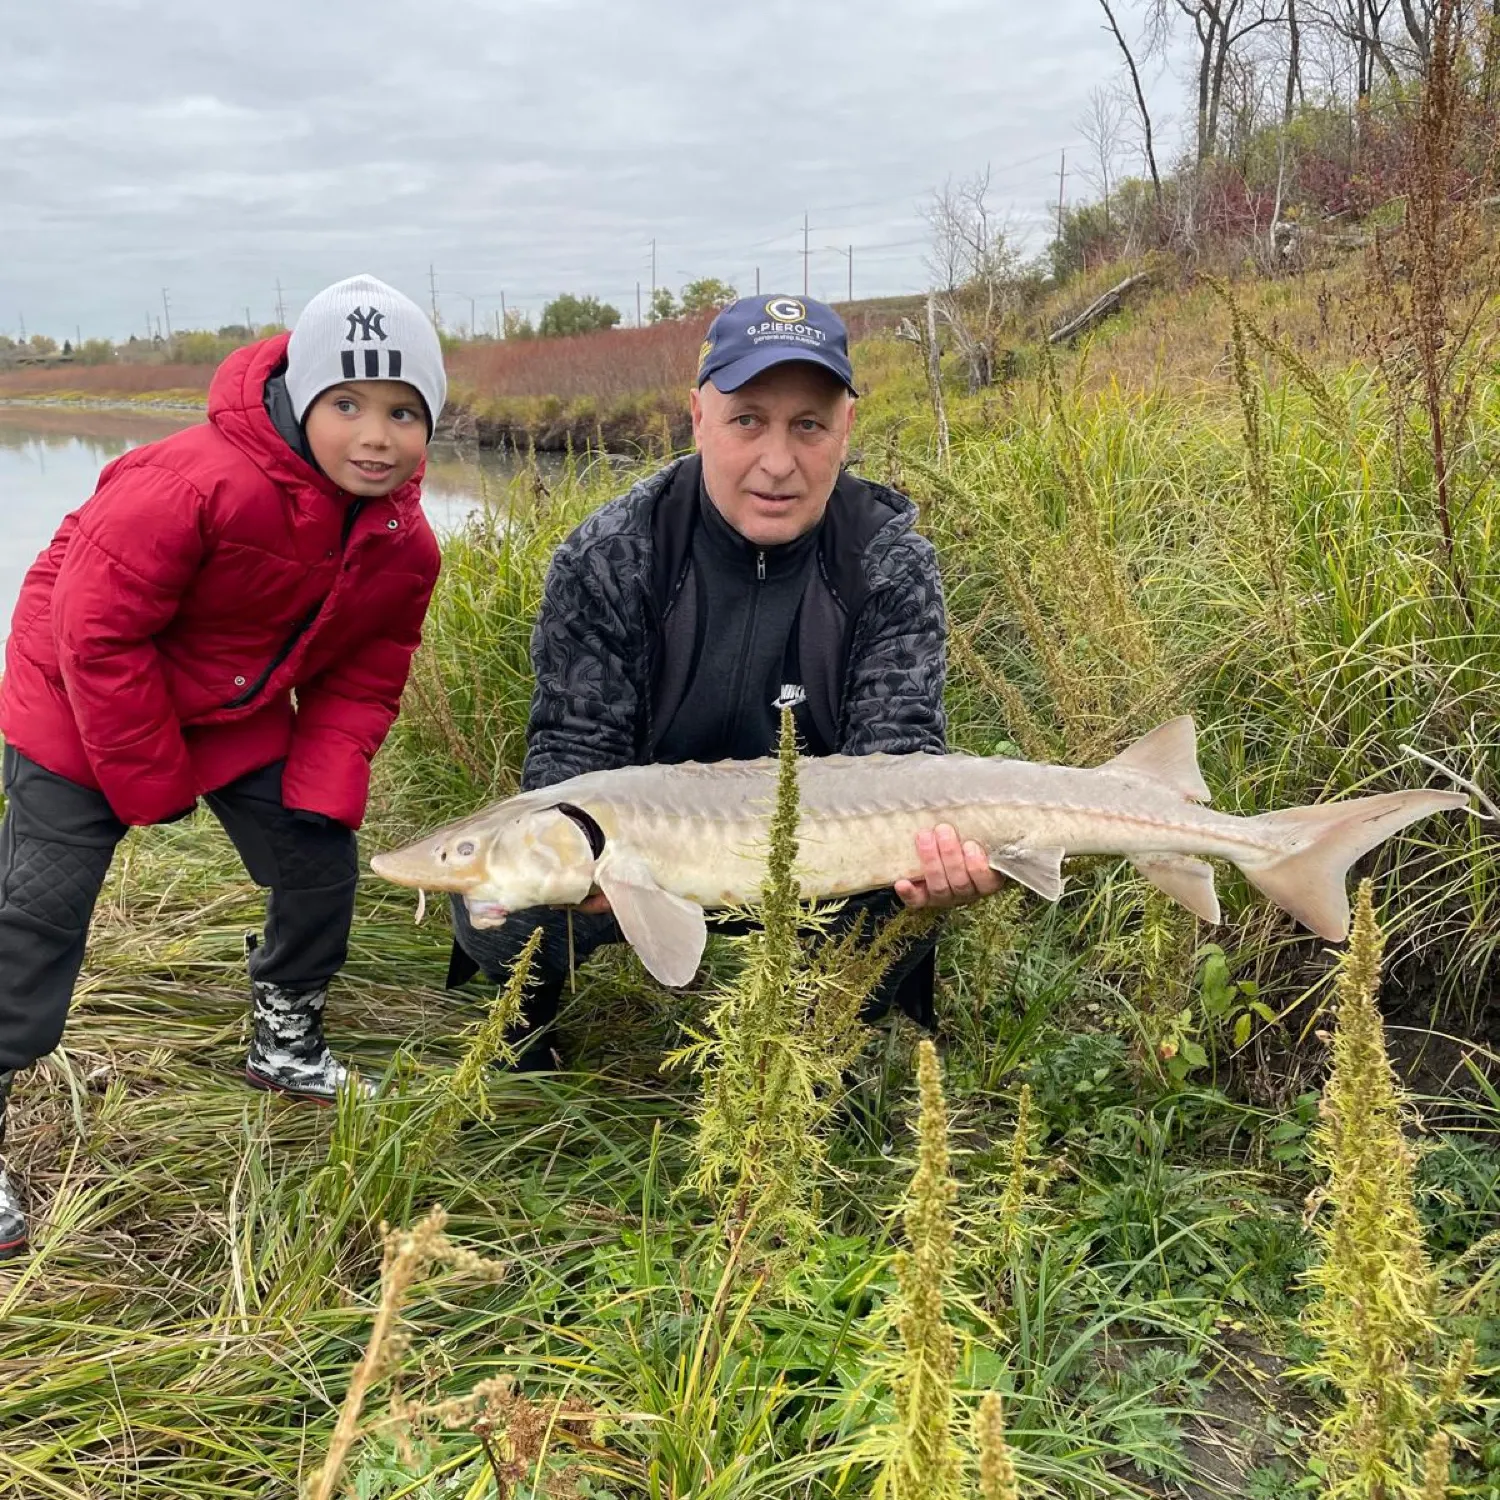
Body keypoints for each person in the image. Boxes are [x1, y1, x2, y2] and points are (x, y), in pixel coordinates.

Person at [0, 274, 447, 1261]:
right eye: (348, 404)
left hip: (228, 707)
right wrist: (152, 784)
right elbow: (98, 637)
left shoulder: (404, 544)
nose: (376, 435)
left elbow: (366, 676)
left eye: (404, 412)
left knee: (317, 855)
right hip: (77, 700)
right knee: (36, 916)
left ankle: (287, 1040)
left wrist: (324, 793)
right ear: (299, 396)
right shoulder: (189, 480)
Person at [447, 293, 1000, 1064]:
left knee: (901, 898)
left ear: (844, 428)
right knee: (498, 900)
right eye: (747, 420)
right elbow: (570, 759)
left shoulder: (888, 561)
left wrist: (940, 860)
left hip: (820, 853)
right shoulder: (611, 555)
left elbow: (901, 755)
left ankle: (814, 1057)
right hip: (648, 847)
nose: (778, 462)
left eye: (808, 425)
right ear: (698, 416)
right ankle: (526, 1031)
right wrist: (599, 862)